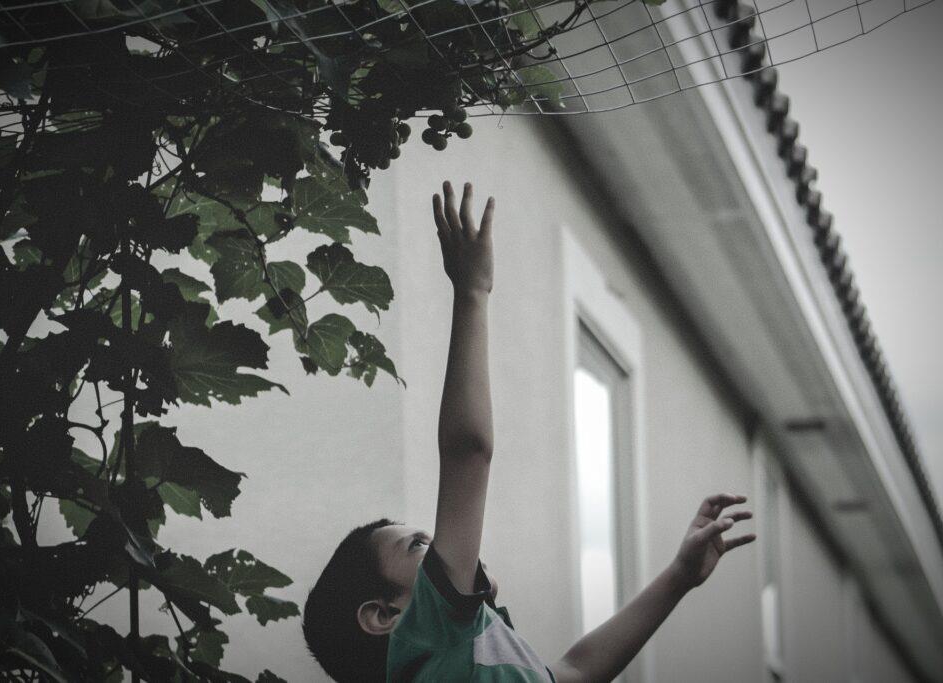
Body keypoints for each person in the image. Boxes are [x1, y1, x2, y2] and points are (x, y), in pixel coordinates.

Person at [302, 181, 757, 682]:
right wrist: (472, 293)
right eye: (418, 548)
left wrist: (679, 577)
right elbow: (467, 453)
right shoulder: (434, 639)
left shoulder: (469, 655)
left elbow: (576, 672)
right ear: (386, 616)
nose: (440, 552)